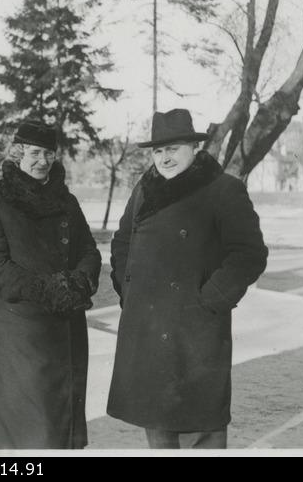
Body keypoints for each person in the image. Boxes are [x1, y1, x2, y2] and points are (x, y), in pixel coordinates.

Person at [107, 108, 268, 449]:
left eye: (173, 148)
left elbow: (249, 253)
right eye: (158, 150)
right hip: (149, 329)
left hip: (196, 333)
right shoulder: (145, 189)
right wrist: (130, 290)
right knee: (157, 427)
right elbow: (123, 241)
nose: (165, 158)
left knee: (201, 429)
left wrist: (209, 300)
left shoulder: (223, 188)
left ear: (194, 149)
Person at [0, 120, 101, 449]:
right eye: (34, 152)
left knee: (59, 430)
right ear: (17, 154)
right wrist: (48, 291)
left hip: (66, 328)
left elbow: (88, 250)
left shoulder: (67, 201)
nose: (42, 160)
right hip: (19, 333)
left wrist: (79, 281)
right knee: (25, 431)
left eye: (49, 153)